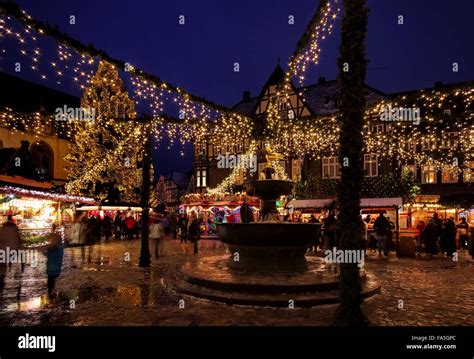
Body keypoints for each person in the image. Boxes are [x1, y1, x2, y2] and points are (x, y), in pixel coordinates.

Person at [0, 215, 22, 291]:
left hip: (3, 249)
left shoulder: (3, 228)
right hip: (12, 250)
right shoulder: (15, 227)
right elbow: (18, 239)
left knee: (2, 264)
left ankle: (1, 277)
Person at [46, 224, 64, 297]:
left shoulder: (53, 242)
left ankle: (50, 290)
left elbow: (47, 252)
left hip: (52, 264)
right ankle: (51, 290)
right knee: (52, 277)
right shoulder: (58, 244)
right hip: (54, 264)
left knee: (51, 277)